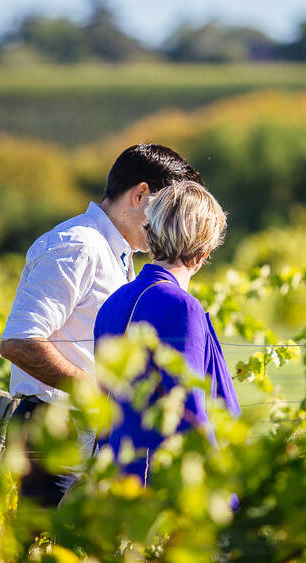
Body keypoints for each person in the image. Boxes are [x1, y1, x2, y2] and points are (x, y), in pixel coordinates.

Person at [0, 144, 202, 506]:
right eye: (166, 209)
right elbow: (19, 340)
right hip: (55, 433)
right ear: (141, 195)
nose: (168, 224)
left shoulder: (114, 254)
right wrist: (100, 393)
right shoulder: (79, 245)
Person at [94, 180, 240, 483]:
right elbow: (190, 414)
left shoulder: (112, 303)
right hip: (164, 490)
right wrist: (229, 495)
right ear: (205, 249)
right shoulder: (181, 307)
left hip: (117, 484)